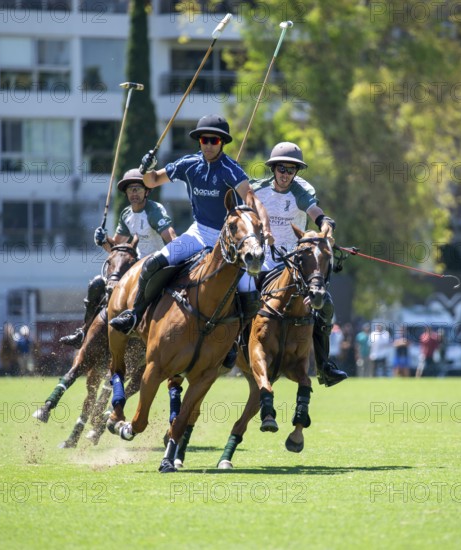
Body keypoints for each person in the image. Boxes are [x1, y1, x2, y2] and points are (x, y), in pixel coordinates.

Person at [109, 114, 273, 360]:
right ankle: (135, 313)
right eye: (204, 139)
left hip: (226, 239)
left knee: (248, 288)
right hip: (198, 232)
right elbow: (152, 181)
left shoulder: (230, 169)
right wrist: (145, 169)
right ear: (199, 141)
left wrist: (264, 229)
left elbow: (251, 198)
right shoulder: (189, 164)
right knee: (155, 262)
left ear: (222, 143)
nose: (208, 144)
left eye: (214, 140)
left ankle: (236, 344)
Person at [248, 141, 347, 387]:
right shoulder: (256, 190)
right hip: (263, 260)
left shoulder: (302, 191)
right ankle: (227, 350)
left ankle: (324, 365)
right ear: (273, 169)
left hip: (294, 265)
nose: (285, 174)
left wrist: (326, 228)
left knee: (325, 306)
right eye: (281, 169)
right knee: (236, 294)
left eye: (291, 170)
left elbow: (317, 214)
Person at [60, 169, 177, 348]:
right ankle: (83, 331)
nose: (134, 193)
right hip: (134, 266)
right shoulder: (126, 214)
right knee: (97, 285)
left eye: (138, 189)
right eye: (130, 190)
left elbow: (172, 239)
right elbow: (115, 248)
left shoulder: (154, 211)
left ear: (147, 191)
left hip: (157, 265)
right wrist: (102, 239)